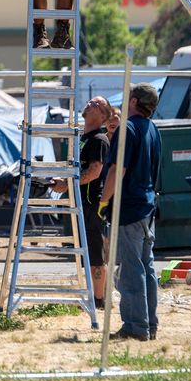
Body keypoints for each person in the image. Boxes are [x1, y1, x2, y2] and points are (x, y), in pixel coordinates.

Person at [99, 84, 162, 341]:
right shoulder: (153, 129)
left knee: (131, 270)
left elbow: (117, 170)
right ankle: (149, 324)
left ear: (134, 101)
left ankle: (136, 327)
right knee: (146, 268)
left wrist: (104, 202)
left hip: (129, 209)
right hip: (147, 208)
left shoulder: (128, 127)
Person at [66, 96, 113, 308]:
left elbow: (94, 171)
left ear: (103, 116)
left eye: (98, 104)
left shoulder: (99, 139)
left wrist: (69, 184)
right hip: (80, 202)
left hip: (91, 203)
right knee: (86, 250)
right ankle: (94, 295)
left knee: (95, 251)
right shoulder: (82, 137)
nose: (91, 103)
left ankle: (99, 299)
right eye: (91, 101)